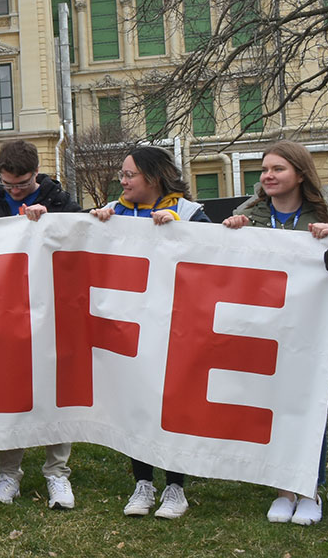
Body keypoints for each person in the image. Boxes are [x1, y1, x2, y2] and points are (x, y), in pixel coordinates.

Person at [221, 140, 328, 526]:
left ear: (300, 174)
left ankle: (309, 490)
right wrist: (231, 234)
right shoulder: (248, 215)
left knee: (309, 411)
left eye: (278, 169)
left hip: (312, 333)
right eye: (264, 170)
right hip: (264, 330)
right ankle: (282, 489)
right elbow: (221, 266)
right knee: (272, 407)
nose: (268, 176)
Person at [89, 146, 208, 519]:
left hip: (174, 323)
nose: (122, 182)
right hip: (130, 325)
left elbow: (215, 255)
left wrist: (182, 231)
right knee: (136, 400)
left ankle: (175, 487)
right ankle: (143, 482)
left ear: (154, 177)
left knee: (172, 401)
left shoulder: (189, 212)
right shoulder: (113, 211)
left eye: (129, 176)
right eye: (121, 176)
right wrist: (96, 225)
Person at [0, 141, 81, 510]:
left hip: (52, 310)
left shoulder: (61, 202)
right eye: (8, 184)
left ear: (36, 174)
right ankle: (8, 473)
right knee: (9, 391)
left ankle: (57, 473)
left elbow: (81, 242)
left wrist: (50, 221)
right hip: (5, 311)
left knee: (56, 389)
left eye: (22, 184)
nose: (15, 191)